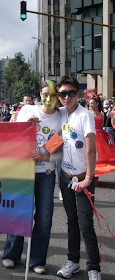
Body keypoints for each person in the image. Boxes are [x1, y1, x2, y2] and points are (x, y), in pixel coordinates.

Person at [2, 80, 62, 275]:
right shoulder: (27, 109)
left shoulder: (62, 118)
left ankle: (36, 259)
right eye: (46, 94)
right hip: (23, 171)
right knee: (19, 213)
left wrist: (46, 156)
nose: (49, 99)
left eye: (53, 95)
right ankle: (11, 254)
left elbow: (62, 149)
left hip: (46, 174)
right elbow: (13, 136)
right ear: (40, 94)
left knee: (44, 219)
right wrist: (26, 125)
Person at [56, 76, 101, 280]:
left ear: (77, 94)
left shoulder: (85, 116)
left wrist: (89, 178)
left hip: (83, 178)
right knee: (72, 222)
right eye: (63, 94)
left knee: (85, 224)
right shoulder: (61, 114)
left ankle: (93, 267)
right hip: (65, 177)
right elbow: (56, 140)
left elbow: (91, 150)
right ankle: (73, 261)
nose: (67, 97)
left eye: (71, 93)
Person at [86, 94, 115, 177]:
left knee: (101, 157)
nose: (91, 105)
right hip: (92, 135)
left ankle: (96, 175)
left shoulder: (101, 114)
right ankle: (92, 175)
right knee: (92, 155)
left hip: (100, 135)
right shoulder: (88, 113)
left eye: (92, 103)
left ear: (97, 104)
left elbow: (101, 125)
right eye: (90, 103)